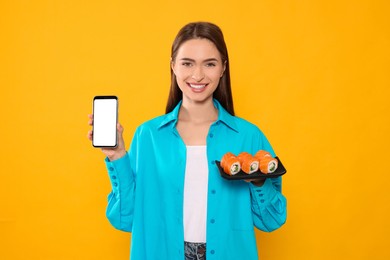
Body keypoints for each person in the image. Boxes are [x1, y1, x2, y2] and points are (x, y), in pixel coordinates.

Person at [88, 21, 286, 260]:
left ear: (223, 68)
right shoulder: (148, 136)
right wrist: (117, 156)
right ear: (173, 66)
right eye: (187, 63)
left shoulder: (248, 136)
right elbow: (125, 218)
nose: (198, 75)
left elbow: (272, 220)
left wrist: (257, 182)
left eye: (210, 64)